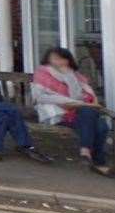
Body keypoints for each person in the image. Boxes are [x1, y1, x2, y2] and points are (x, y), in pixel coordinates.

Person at [33, 47, 111, 176]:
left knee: (101, 125)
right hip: (59, 114)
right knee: (96, 120)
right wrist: (70, 102)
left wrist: (69, 77)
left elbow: (77, 97)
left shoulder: (75, 76)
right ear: (48, 59)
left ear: (68, 60)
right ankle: (98, 162)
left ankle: (87, 152)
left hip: (79, 114)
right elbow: (40, 97)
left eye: (63, 58)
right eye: (55, 58)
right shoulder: (41, 74)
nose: (59, 62)